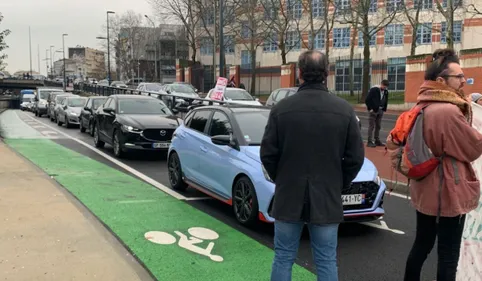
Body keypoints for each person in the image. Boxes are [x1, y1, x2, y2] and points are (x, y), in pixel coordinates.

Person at [260, 50, 365, 281]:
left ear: (299, 73)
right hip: (327, 196)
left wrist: (283, 178)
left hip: (289, 194)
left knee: (283, 256)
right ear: (327, 73)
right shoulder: (344, 110)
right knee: (326, 260)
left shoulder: (281, 109)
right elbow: (356, 158)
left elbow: (267, 154)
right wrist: (338, 182)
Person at [403, 48, 482, 281]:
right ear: (441, 81)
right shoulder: (448, 111)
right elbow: (473, 148)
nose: (462, 81)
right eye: (458, 77)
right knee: (448, 254)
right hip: (449, 189)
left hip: (425, 186)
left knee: (422, 244)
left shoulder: (421, 105)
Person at [365, 79, 390, 147]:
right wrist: (370, 108)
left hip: (380, 110)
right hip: (374, 110)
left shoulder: (385, 92)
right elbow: (367, 100)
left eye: (386, 87)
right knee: (371, 126)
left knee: (378, 126)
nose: (385, 88)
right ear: (381, 84)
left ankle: (377, 140)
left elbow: (385, 100)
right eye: (384, 86)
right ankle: (369, 141)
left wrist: (384, 108)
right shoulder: (374, 90)